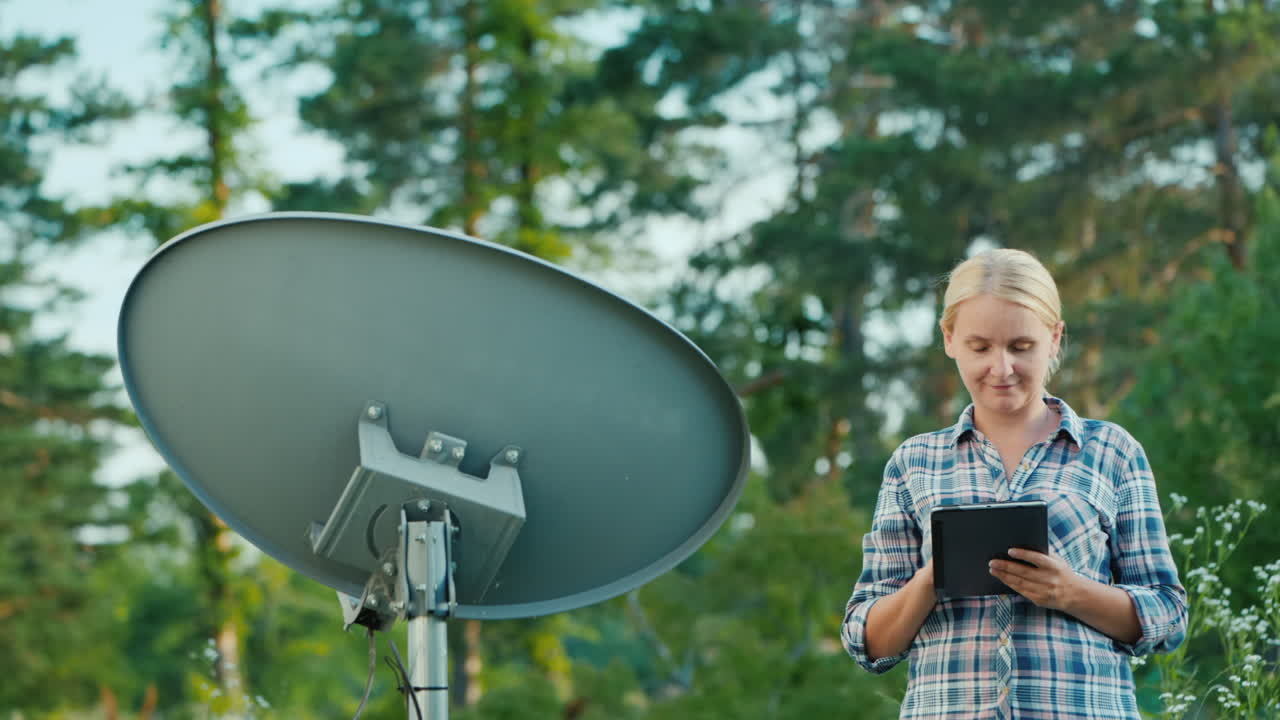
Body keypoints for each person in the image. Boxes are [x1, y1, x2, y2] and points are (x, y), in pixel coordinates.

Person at [840, 248, 1187, 720]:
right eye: (980, 347)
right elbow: (867, 641)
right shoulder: (913, 463)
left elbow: (1168, 615)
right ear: (949, 339)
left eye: (1021, 347)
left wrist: (1070, 592)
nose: (1001, 368)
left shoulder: (1112, 451)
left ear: (1054, 338)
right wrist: (933, 578)